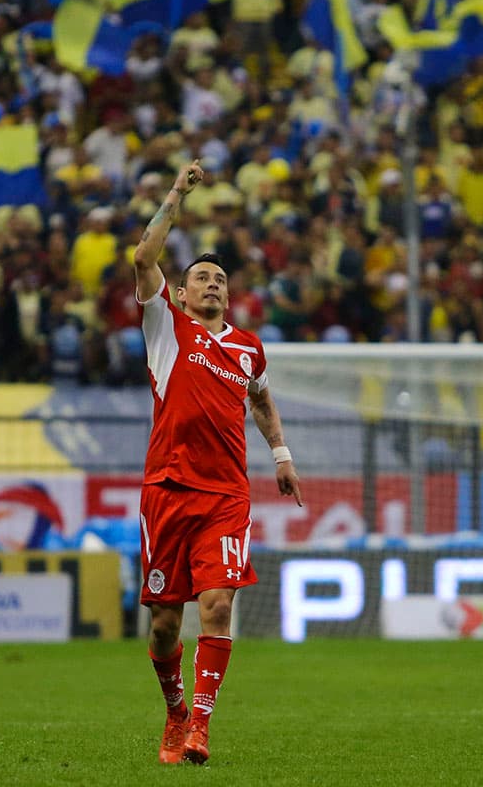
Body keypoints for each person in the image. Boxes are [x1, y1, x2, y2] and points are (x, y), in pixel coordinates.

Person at [133, 160, 302, 766]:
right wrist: (177, 190)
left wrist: (280, 455)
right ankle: (174, 714)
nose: (212, 285)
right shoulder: (165, 326)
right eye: (201, 277)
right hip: (168, 489)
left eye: (220, 279)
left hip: (226, 495)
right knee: (162, 625)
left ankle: (200, 728)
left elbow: (260, 397)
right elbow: (142, 256)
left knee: (219, 605)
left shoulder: (248, 347)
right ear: (179, 293)